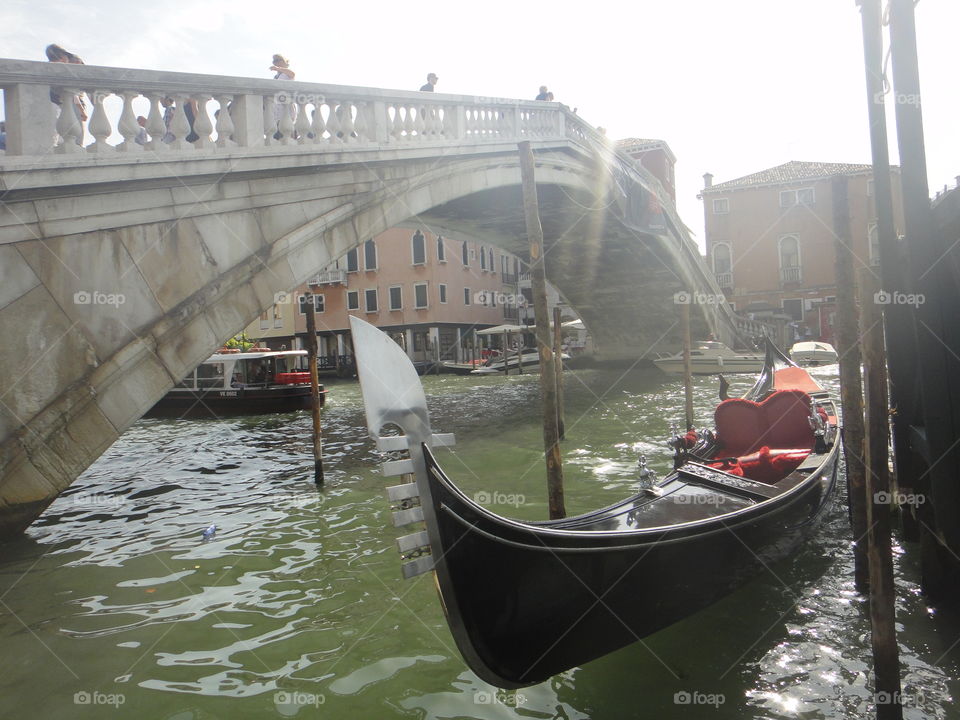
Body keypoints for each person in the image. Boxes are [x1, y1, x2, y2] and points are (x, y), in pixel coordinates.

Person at [45, 44, 87, 144]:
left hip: (68, 102)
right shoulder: (57, 67)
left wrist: (81, 110)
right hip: (61, 102)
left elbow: (74, 95)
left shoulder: (70, 62)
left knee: (75, 134)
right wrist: (82, 110)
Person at [270, 55, 297, 139]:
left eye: (278, 60)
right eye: (274, 61)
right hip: (275, 113)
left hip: (286, 110)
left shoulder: (287, 74)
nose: (276, 62)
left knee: (287, 136)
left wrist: (277, 68)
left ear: (286, 62)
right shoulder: (276, 77)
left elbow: (292, 74)